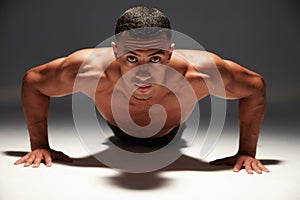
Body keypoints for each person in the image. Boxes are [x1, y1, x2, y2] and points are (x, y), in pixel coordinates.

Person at [14, 6, 269, 174]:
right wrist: (40, 146)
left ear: (170, 54)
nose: (142, 72)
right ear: (116, 52)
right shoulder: (88, 70)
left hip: (168, 131)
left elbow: (254, 87)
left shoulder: (199, 73)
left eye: (155, 59)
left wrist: (246, 152)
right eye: (132, 59)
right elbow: (34, 82)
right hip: (117, 127)